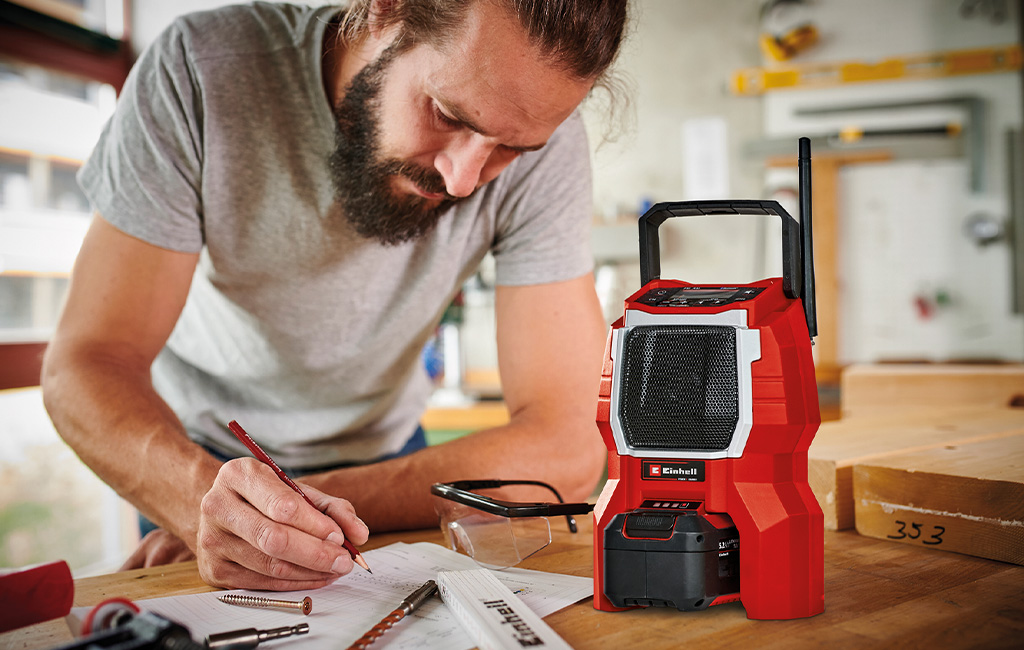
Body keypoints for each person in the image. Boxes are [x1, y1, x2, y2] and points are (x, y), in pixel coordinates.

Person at [41, 0, 628, 591]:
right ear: (383, 11)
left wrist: (293, 510)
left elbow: (570, 448)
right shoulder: (200, 69)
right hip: (199, 463)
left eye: (511, 150)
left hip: (396, 469)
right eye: (448, 114)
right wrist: (204, 501)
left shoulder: (548, 145)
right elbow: (85, 363)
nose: (463, 180)